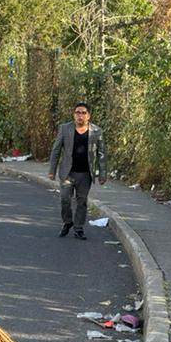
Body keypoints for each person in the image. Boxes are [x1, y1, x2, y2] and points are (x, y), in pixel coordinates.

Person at [47, 102, 106, 239]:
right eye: (77, 112)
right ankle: (68, 222)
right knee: (65, 199)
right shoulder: (65, 129)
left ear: (88, 116)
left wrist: (102, 174)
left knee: (82, 201)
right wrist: (52, 170)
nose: (80, 115)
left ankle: (78, 228)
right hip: (67, 173)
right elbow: (56, 150)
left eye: (83, 113)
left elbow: (101, 154)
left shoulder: (96, 131)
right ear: (74, 115)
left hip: (85, 174)